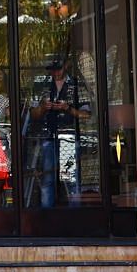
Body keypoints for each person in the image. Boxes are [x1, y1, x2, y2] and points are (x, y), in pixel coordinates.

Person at [27, 58, 87, 208]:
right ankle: (48, 218)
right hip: (48, 136)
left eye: (58, 69)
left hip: (69, 137)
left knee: (70, 178)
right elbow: (32, 115)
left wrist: (68, 108)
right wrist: (43, 108)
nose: (55, 73)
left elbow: (87, 114)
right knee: (48, 179)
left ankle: (74, 218)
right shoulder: (43, 85)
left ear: (66, 66)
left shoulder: (76, 84)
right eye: (52, 70)